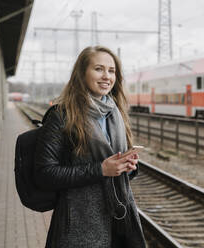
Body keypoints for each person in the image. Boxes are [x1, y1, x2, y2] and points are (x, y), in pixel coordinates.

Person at [34, 46, 146, 248]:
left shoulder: (116, 113)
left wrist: (128, 167)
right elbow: (45, 173)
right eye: (99, 69)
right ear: (82, 73)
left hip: (119, 219)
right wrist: (101, 169)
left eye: (111, 71)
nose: (107, 76)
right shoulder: (62, 115)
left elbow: (116, 169)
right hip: (79, 225)